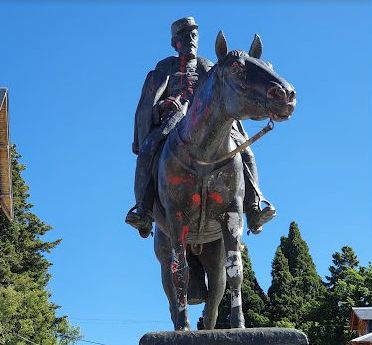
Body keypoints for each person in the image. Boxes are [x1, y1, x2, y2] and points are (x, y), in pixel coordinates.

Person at [125, 17, 275, 238]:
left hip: (208, 122)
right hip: (174, 118)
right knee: (148, 150)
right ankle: (143, 209)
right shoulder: (165, 67)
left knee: (246, 151)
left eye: (194, 34)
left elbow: (223, 94)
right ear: (174, 43)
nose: (191, 39)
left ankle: (254, 205)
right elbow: (150, 102)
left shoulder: (208, 66)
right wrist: (164, 104)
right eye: (185, 35)